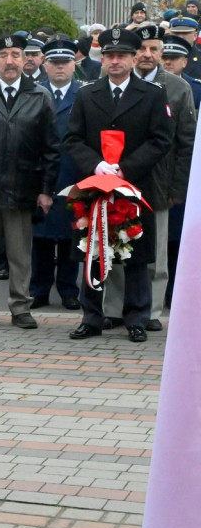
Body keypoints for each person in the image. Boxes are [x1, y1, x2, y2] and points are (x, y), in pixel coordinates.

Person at [64, 27, 174, 343]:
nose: (115, 61)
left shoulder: (153, 94)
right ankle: (91, 317)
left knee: (135, 255)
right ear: (103, 59)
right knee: (93, 250)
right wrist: (95, 164)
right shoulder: (87, 94)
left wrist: (126, 168)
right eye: (110, 55)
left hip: (134, 186)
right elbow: (72, 139)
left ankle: (136, 318)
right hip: (94, 187)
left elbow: (161, 139)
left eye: (122, 55)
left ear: (133, 58)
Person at [100, 25, 196, 333]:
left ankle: (152, 310)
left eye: (155, 49)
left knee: (155, 255)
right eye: (141, 48)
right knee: (115, 246)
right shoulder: (108, 85)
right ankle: (114, 309)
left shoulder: (177, 88)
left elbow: (185, 143)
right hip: (116, 182)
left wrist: (177, 187)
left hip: (158, 183)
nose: (147, 54)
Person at [0, 34, 60, 330]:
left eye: (15, 54)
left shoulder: (39, 95)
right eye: (3, 55)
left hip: (23, 186)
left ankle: (20, 306)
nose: (10, 61)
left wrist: (46, 190)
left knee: (20, 254)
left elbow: (51, 148)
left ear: (25, 60)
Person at [31, 39, 83, 311]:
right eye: (54, 63)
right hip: (40, 175)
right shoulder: (35, 93)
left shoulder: (85, 94)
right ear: (45, 64)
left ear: (74, 65)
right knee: (39, 238)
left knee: (69, 238)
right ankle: (38, 290)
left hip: (73, 174)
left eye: (65, 63)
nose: (60, 67)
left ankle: (68, 290)